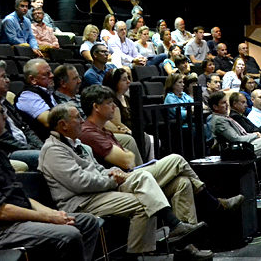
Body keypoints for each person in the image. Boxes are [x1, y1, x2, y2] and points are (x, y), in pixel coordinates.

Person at [38, 105, 214, 259]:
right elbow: (79, 183)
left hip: (101, 191)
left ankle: (184, 244)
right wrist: (112, 180)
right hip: (80, 201)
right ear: (63, 125)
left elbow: (98, 170)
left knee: (181, 182)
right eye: (77, 117)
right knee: (146, 199)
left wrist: (112, 172)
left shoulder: (81, 145)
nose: (82, 120)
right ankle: (138, 253)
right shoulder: (53, 151)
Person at [0, 93, 100, 260]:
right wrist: (48, 217)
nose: (6, 116)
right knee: (68, 234)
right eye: (1, 111)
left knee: (87, 222)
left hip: (16, 222)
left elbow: (20, 196)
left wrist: (54, 214)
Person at [79, 86, 242, 219]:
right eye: (109, 103)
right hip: (121, 183)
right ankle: (214, 203)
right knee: (177, 159)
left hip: (132, 177)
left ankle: (187, 242)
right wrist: (127, 153)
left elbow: (130, 159)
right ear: (96, 107)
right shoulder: (89, 132)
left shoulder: (105, 131)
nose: (115, 107)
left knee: (183, 182)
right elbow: (128, 161)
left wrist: (127, 153)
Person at [0, 59, 44, 170]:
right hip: (7, 152)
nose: (8, 80)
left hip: (25, 148)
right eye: (3, 77)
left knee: (55, 152)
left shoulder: (4, 101)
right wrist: (35, 150)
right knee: (46, 157)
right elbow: (3, 139)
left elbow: (25, 128)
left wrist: (42, 147)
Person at [16, 59, 57, 140]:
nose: (52, 75)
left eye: (51, 72)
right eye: (46, 74)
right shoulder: (27, 96)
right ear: (33, 79)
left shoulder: (47, 91)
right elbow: (49, 121)